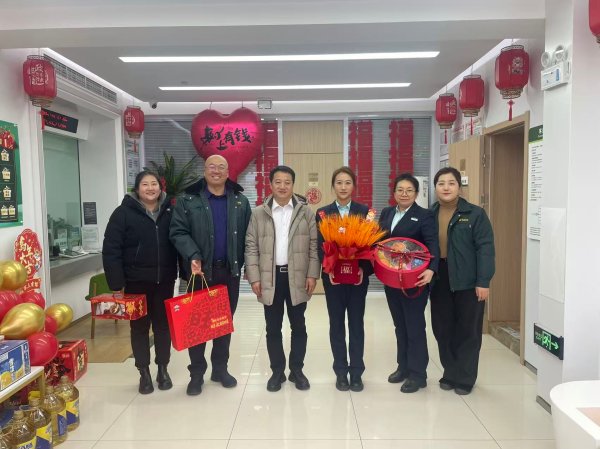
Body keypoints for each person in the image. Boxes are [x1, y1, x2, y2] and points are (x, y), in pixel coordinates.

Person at [170, 154, 251, 396]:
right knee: (197, 326)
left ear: (228, 172)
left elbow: (249, 237)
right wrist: (193, 254)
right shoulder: (188, 200)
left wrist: (249, 266)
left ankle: (220, 369)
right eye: (211, 167)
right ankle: (196, 374)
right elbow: (178, 231)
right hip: (200, 273)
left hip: (229, 272)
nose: (216, 171)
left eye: (221, 167)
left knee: (223, 324)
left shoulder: (240, 201)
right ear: (204, 171)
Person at [245, 165, 320, 392]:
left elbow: (314, 246)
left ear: (293, 185)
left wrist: (312, 274)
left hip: (298, 277)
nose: (282, 186)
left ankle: (297, 370)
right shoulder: (259, 213)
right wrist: (254, 277)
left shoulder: (306, 212)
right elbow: (251, 246)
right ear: (270, 184)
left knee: (299, 326)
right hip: (270, 278)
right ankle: (277, 372)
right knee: (273, 327)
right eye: (278, 182)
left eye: (287, 182)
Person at [102, 170, 178, 394]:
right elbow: (111, 249)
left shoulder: (170, 211)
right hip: (136, 282)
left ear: (160, 188)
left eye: (154, 184)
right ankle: (143, 372)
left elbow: (180, 242)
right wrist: (116, 283)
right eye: (145, 184)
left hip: (164, 280)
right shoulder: (123, 213)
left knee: (163, 326)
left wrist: (186, 272)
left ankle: (162, 369)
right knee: (139, 327)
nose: (150, 188)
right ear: (137, 189)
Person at [430, 166, 495, 395]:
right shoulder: (430, 213)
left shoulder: (475, 214)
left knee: (468, 329)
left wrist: (483, 281)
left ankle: (465, 378)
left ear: (459, 187)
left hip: (468, 279)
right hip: (439, 276)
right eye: (441, 183)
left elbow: (485, 249)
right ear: (435, 187)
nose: (446, 187)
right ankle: (450, 373)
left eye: (451, 183)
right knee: (442, 327)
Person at [379, 173, 440, 393]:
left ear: (416, 193)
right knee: (400, 325)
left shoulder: (424, 215)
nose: (404, 194)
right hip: (392, 279)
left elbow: (433, 244)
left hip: (415, 280)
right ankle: (403, 367)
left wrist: (432, 270)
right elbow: (380, 242)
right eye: (400, 190)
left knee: (414, 326)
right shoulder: (387, 213)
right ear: (394, 192)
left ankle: (418, 374)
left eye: (409, 190)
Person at [316, 166, 372, 392]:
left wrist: (364, 270)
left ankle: (356, 372)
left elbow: (372, 246)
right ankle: (340, 372)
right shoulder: (323, 213)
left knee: (356, 324)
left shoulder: (365, 212)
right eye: (339, 182)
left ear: (354, 186)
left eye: (347, 182)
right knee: (336, 324)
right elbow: (319, 246)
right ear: (333, 186)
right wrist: (328, 269)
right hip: (334, 280)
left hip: (358, 280)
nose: (343, 187)